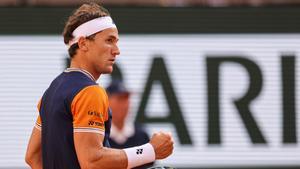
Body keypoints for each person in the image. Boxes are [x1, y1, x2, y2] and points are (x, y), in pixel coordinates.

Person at [25, 2, 173, 169]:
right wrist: (150, 150)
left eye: (116, 42)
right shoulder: (90, 92)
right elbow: (92, 161)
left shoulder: (51, 90)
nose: (116, 50)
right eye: (109, 40)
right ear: (83, 44)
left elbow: (32, 156)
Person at [106, 80, 154, 169]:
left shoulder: (142, 135)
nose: (124, 104)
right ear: (107, 101)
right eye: (119, 99)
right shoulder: (100, 135)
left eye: (126, 98)